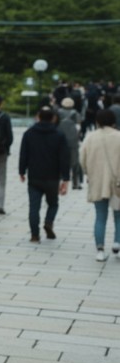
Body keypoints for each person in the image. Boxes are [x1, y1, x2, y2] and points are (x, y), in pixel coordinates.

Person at [18, 106, 70, 243]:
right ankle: (48, 222)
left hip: (34, 176)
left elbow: (24, 154)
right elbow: (64, 158)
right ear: (53, 118)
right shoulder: (59, 135)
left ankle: (34, 235)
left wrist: (21, 171)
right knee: (53, 204)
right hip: (52, 177)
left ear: (38, 117)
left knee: (34, 207)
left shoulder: (29, 133)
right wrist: (65, 178)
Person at [79, 109, 120, 262]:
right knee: (119, 216)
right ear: (113, 121)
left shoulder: (91, 138)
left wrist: (88, 173)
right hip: (118, 183)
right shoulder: (119, 136)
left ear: (97, 121)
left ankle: (100, 250)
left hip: (98, 181)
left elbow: (82, 158)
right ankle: (117, 243)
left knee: (100, 217)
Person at [56, 98, 82, 189]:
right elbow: (79, 126)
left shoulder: (58, 113)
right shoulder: (75, 113)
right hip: (73, 141)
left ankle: (59, 180)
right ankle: (76, 183)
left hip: (60, 140)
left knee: (59, 160)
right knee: (75, 162)